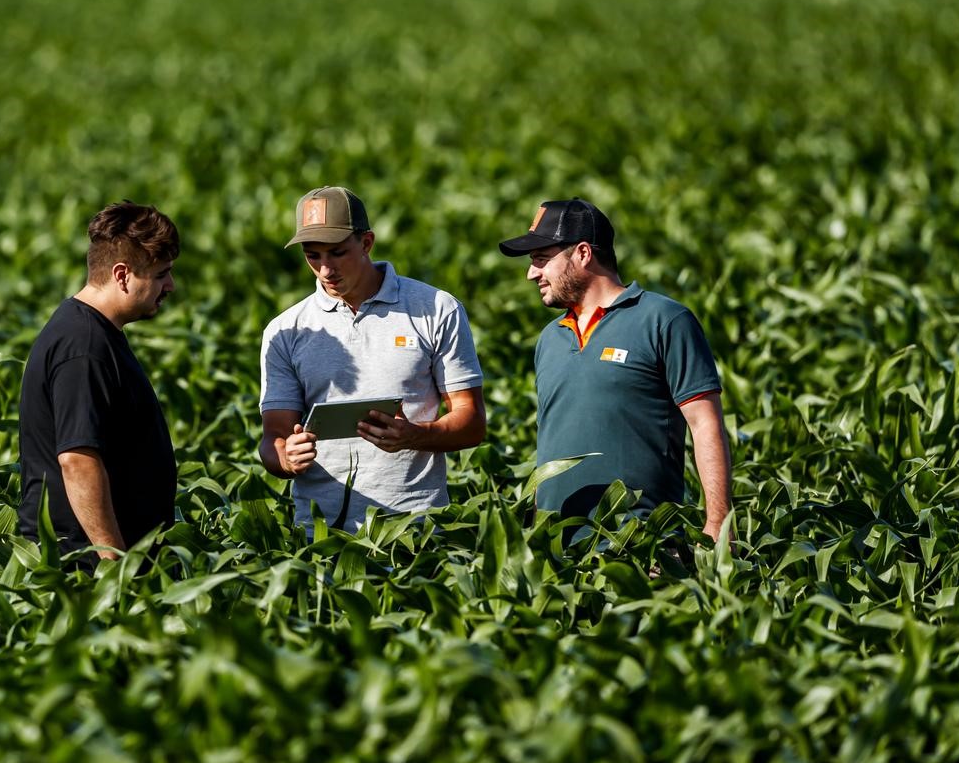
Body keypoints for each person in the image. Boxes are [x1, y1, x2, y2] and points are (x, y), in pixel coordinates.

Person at [498, 198, 732, 543]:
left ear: (581, 253)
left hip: (641, 544)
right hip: (556, 552)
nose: (531, 273)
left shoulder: (664, 320)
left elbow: (705, 423)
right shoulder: (550, 338)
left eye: (541, 260)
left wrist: (717, 526)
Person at [259, 185, 486, 533]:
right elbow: (273, 436)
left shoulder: (436, 309)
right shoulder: (286, 329)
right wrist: (286, 457)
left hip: (416, 531)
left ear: (366, 243)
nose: (324, 269)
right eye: (312, 255)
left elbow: (471, 421)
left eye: (336, 253)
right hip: (320, 532)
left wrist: (413, 436)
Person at [17, 201, 180, 561]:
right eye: (160, 275)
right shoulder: (83, 347)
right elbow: (78, 460)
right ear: (122, 275)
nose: (170, 285)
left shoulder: (93, 332)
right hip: (81, 568)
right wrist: (114, 567)